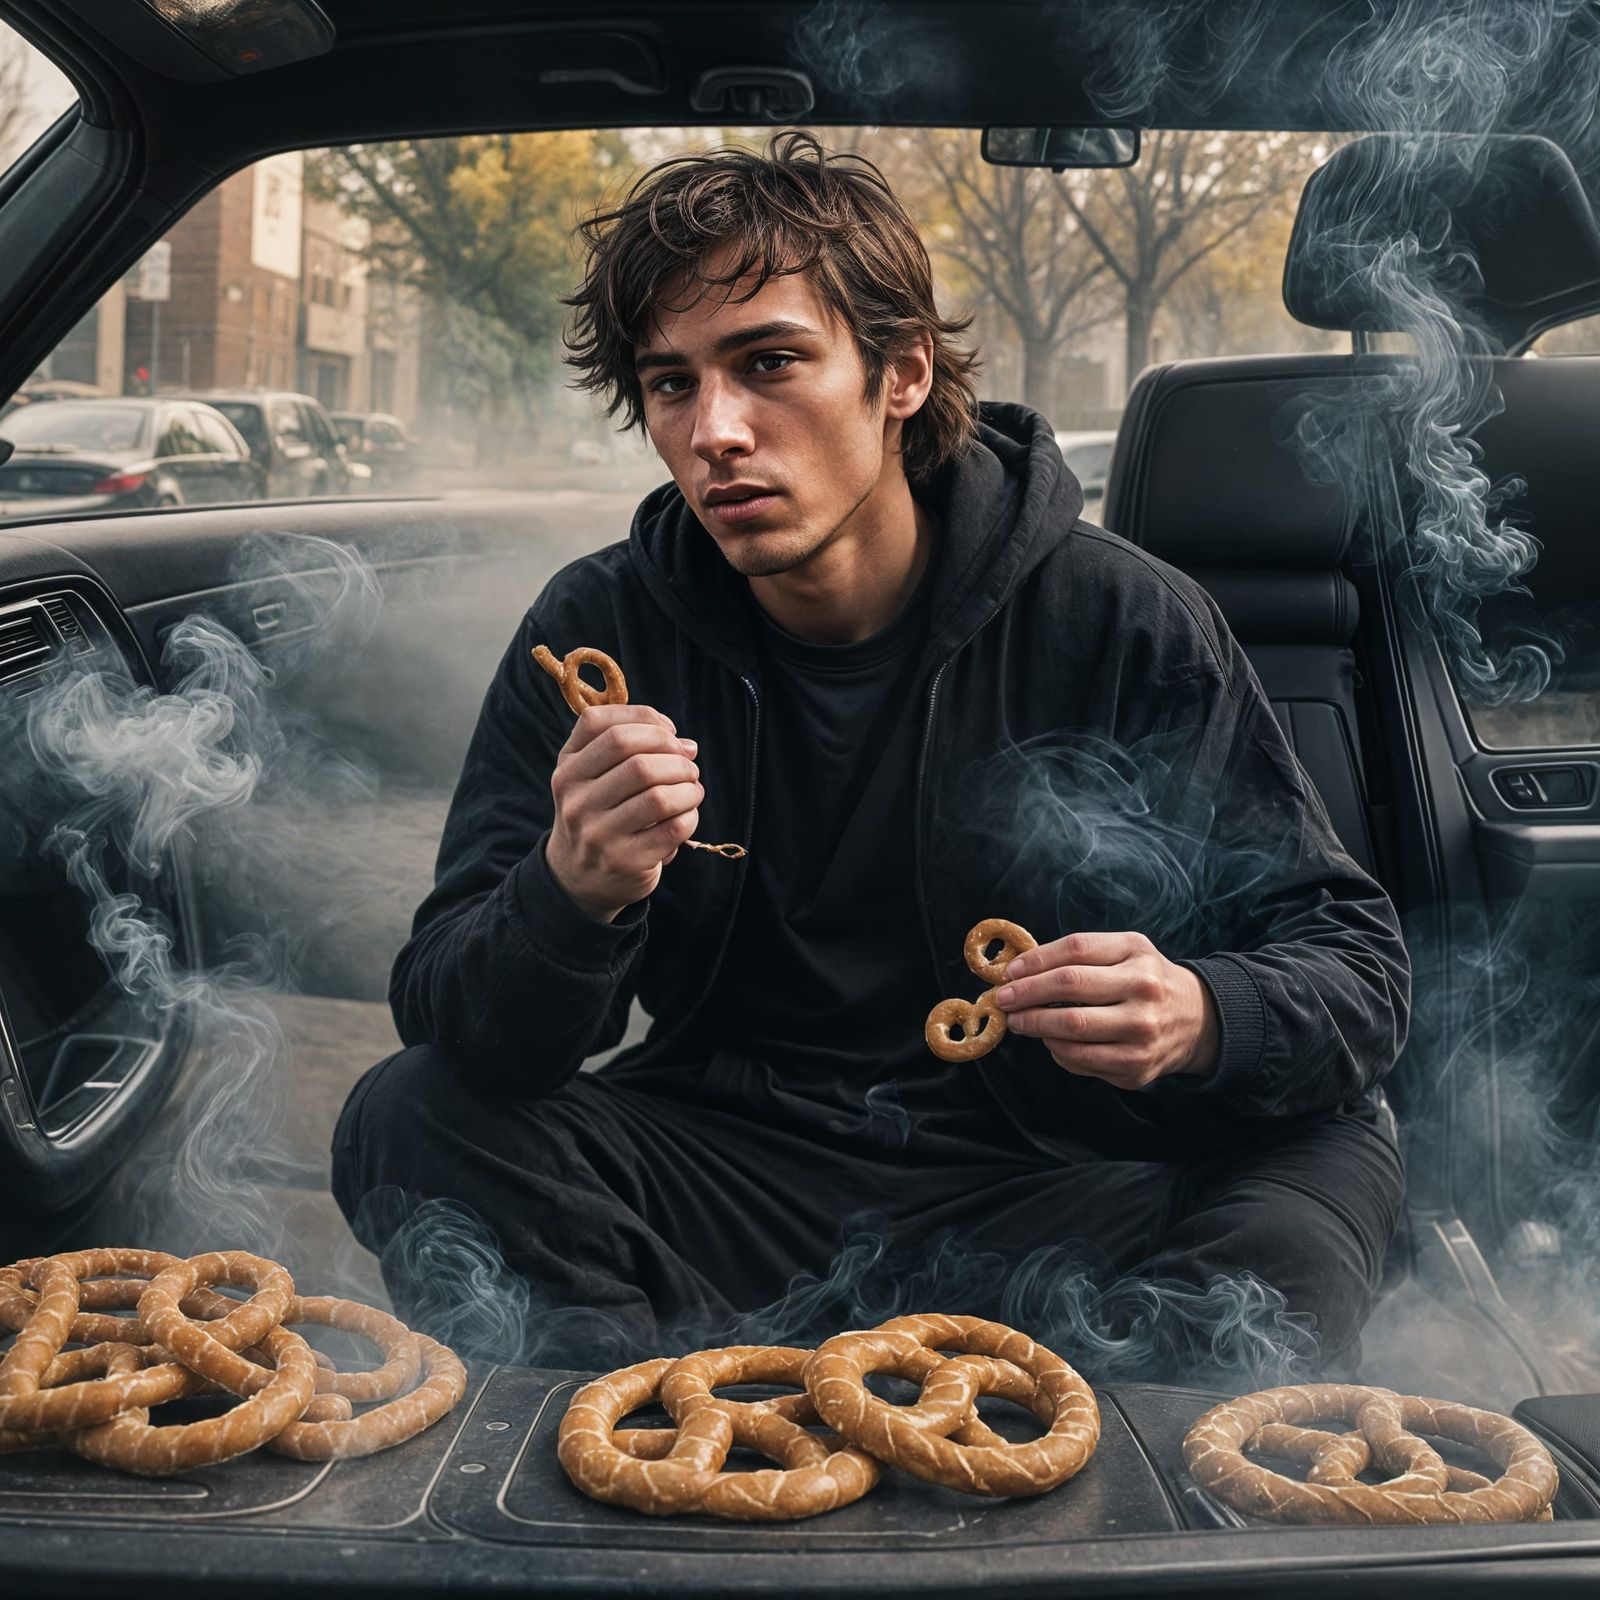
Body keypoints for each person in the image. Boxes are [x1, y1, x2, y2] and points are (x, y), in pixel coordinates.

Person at [332, 131, 1409, 1381]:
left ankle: (1128, 1456)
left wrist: (1198, 1012)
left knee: (1337, 1150)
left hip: (1050, 1186)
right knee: (408, 1117)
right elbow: (463, 1029)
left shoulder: (1119, 618)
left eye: (769, 362)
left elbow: (1354, 967)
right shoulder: (600, 628)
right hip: (724, 1178)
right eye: (670, 385)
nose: (715, 430)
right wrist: (569, 896)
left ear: (899, 373)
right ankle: (628, 1438)